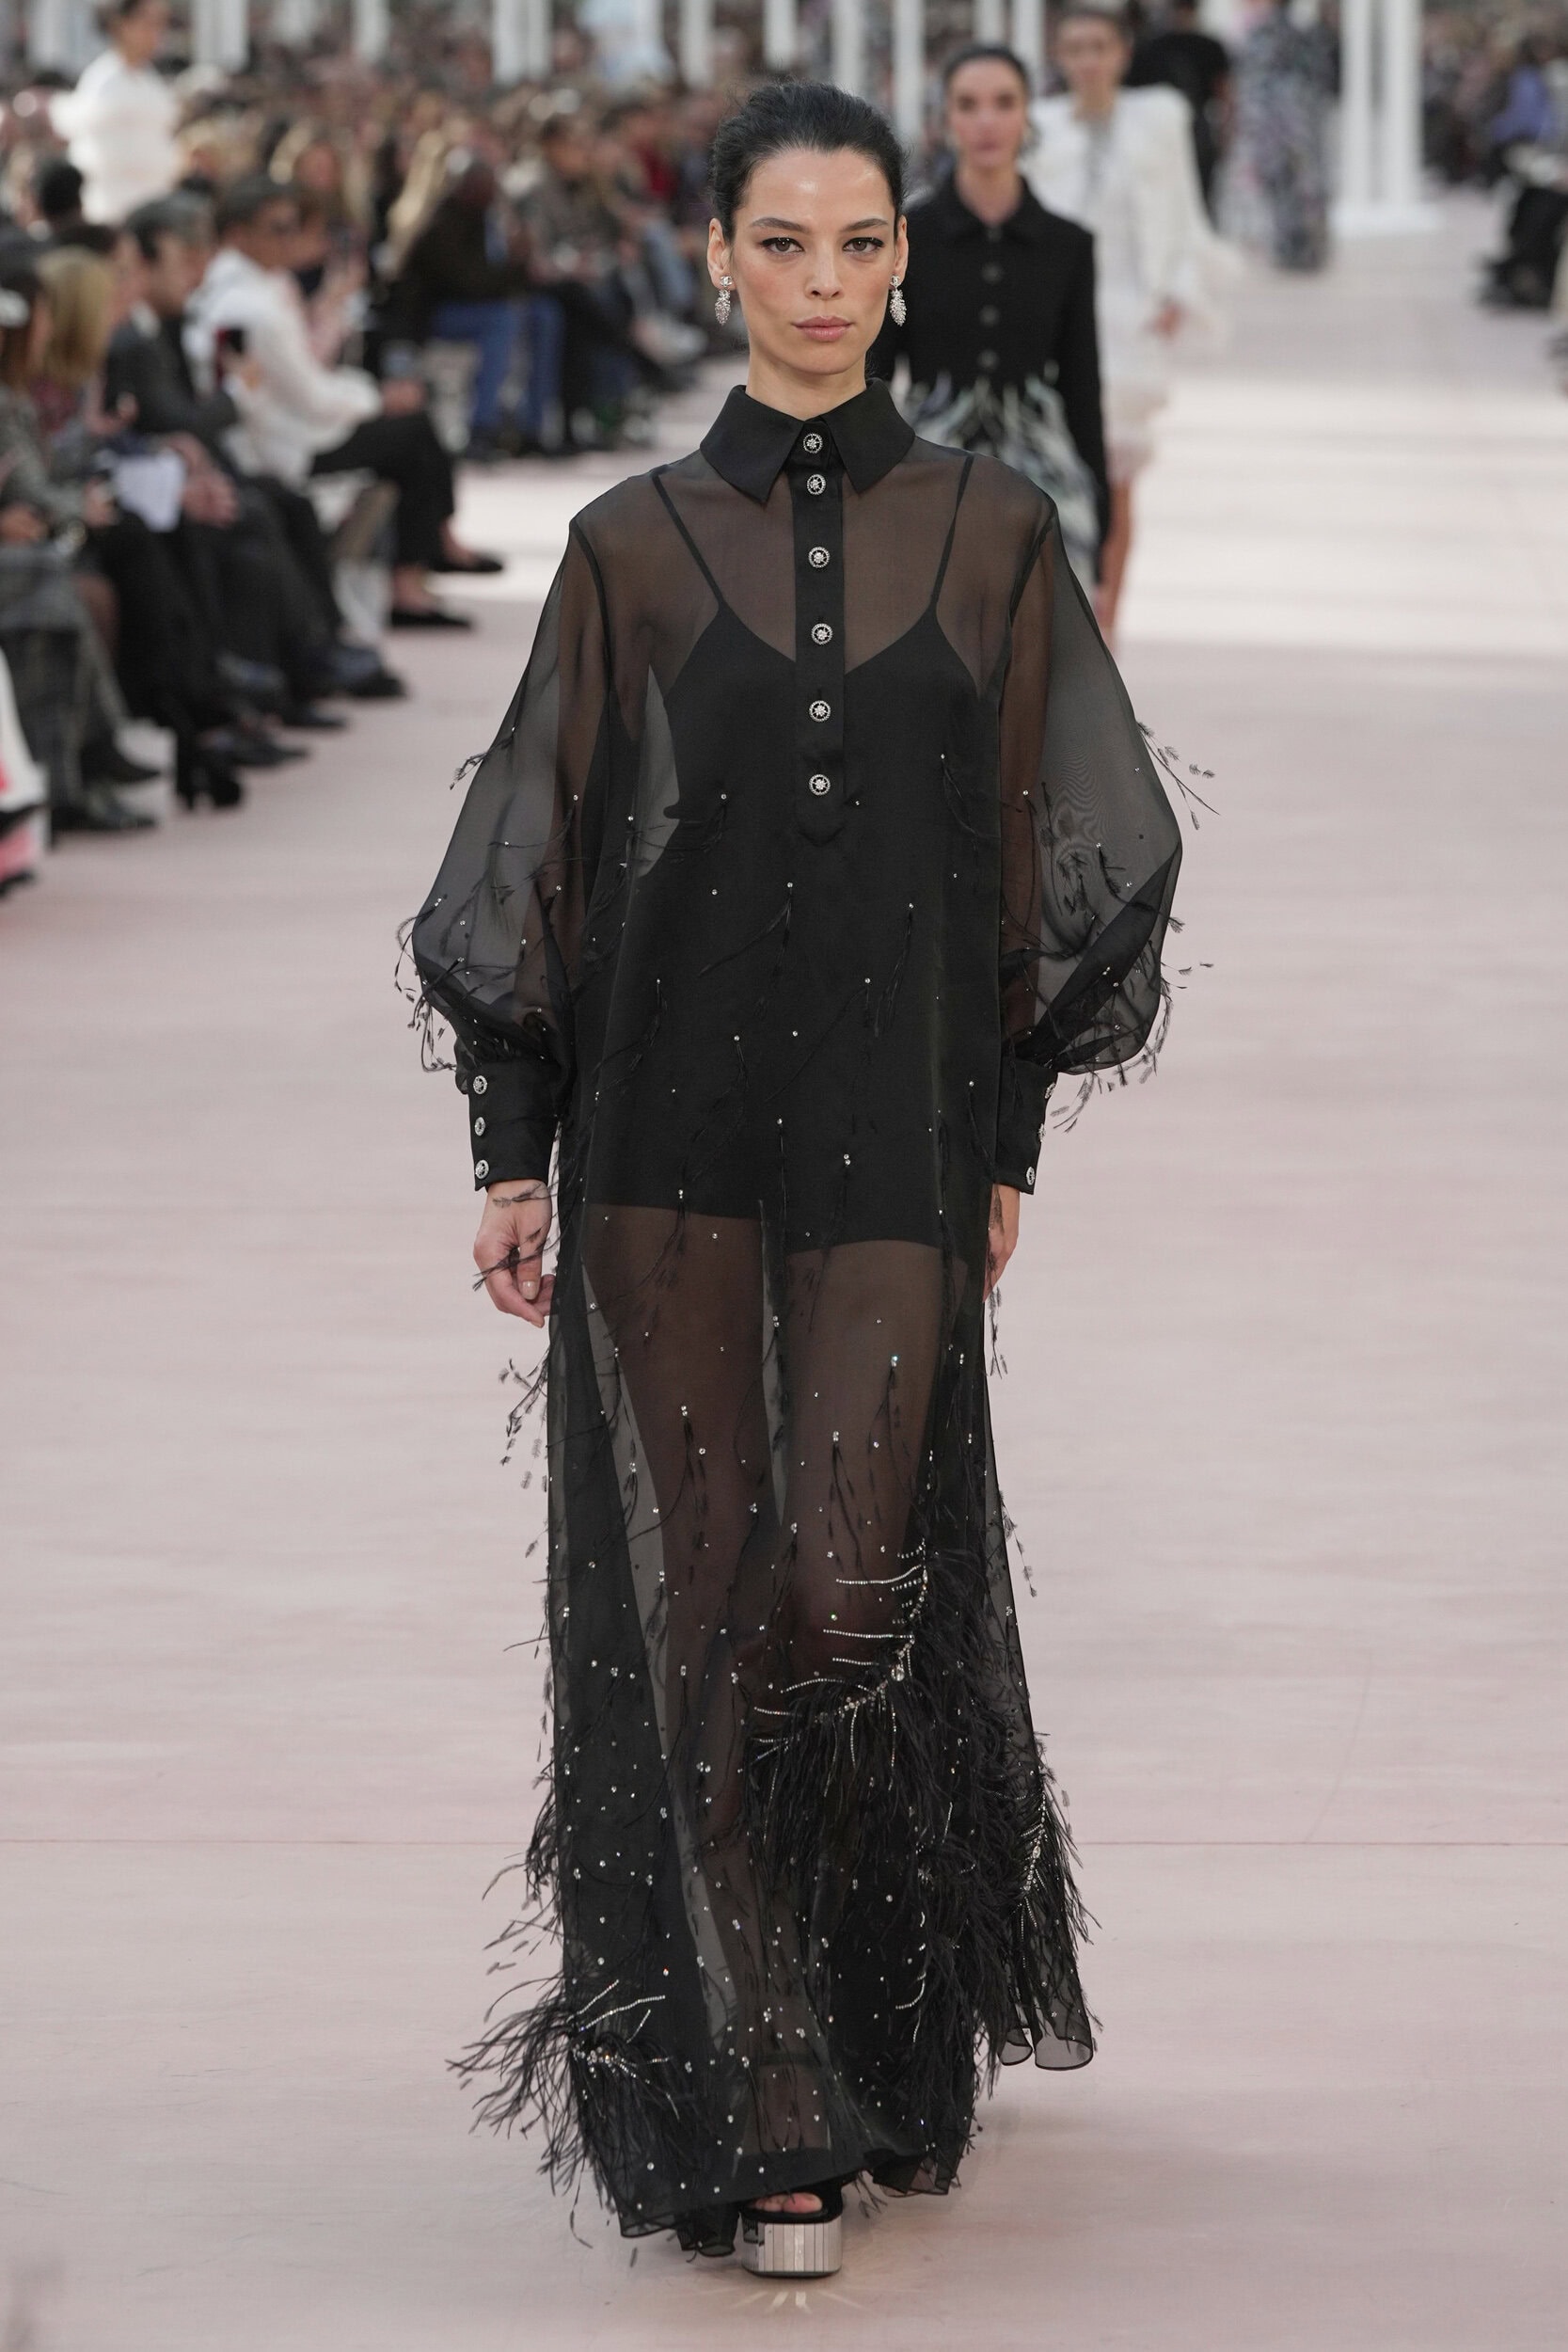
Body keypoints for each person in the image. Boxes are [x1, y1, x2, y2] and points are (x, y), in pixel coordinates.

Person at [412, 79, 1180, 2280]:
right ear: (719, 259)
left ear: (900, 259)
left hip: (894, 1130)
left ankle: (866, 2007)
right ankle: (760, 2096)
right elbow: (537, 850)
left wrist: (1007, 1134)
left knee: (845, 1588)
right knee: (697, 1595)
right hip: (663, 1137)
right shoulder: (629, 546)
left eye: (857, 243)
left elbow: (1059, 851)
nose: (822, 283)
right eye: (781, 243)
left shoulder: (995, 530)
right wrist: (511, 1151)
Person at [187, 176, 484, 629]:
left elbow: (305, 375)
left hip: (293, 425)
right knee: (413, 435)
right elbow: (309, 395)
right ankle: (409, 582)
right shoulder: (250, 304)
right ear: (238, 234)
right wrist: (376, 397)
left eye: (294, 227)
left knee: (413, 430)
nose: (291, 239)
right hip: (282, 444)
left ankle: (423, 563)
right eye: (278, 229)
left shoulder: (264, 285)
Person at [870, 42, 1108, 593]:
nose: (986, 122)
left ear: (1028, 115)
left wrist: (1099, 499)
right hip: (925, 457)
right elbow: (874, 371)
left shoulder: (1067, 245)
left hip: (1040, 467)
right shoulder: (906, 237)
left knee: (1040, 624)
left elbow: (1082, 382)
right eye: (967, 104)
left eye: (1004, 103)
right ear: (945, 119)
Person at [1028, 0, 1230, 636]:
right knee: (1047, 471)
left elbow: (1184, 209)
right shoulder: (1038, 127)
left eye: (1099, 47)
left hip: (1125, 318)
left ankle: (1105, 624)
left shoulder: (1159, 119)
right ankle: (1052, 620)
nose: (1088, 60)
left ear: (1122, 53)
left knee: (1114, 475)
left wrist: (1176, 292)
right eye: (1075, 48)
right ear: (1059, 57)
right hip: (1050, 318)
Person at [55, 0, 181, 227]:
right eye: (148, 22)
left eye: (161, 23)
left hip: (153, 211)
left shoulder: (151, 81)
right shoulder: (102, 81)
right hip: (113, 213)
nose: (156, 32)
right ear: (121, 25)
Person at [1230, 0, 1335, 272]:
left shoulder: (1281, 36)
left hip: (1285, 128)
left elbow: (1252, 84)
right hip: (1291, 128)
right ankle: (1299, 249)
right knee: (1292, 188)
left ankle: (1300, 249)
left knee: (1292, 188)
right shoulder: (1302, 35)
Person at [1126, 0, 1233, 215]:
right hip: (1168, 129)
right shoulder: (1154, 47)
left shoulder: (1155, 46)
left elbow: (1224, 93)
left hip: (1190, 128)